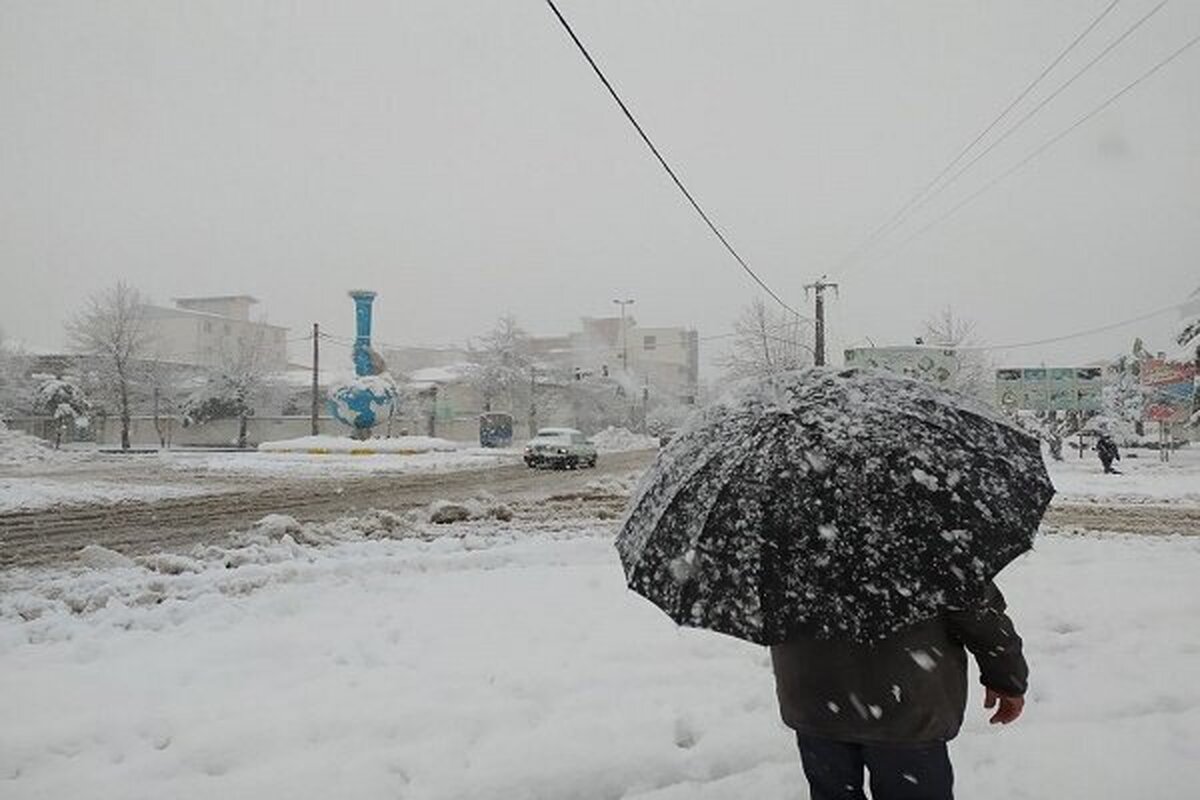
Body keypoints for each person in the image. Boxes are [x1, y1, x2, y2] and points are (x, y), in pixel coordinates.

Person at [770, 581, 1027, 800]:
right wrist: (1007, 678)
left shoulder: (781, 533)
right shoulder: (926, 530)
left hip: (815, 699)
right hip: (905, 708)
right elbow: (978, 613)